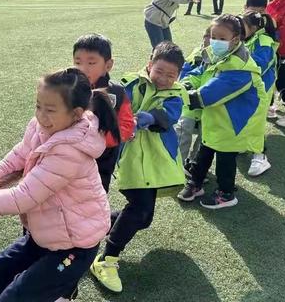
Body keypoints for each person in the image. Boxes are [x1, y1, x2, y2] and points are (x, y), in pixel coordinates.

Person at [0, 68, 117, 302]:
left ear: (75, 114)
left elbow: (23, 197)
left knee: (16, 298)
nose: (42, 115)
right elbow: (14, 160)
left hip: (74, 248)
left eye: (51, 110)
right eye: (38, 106)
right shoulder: (40, 128)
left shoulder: (69, 151)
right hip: (47, 236)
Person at [90, 42, 187, 293]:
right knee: (139, 209)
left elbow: (169, 116)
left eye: (171, 75)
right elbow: (116, 108)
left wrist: (148, 118)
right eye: (160, 71)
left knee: (143, 219)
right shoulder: (130, 84)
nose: (164, 79)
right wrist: (125, 122)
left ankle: (93, 225)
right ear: (149, 63)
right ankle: (106, 259)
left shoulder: (177, 93)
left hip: (156, 163)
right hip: (133, 159)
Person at [177, 15, 267, 207]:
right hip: (218, 116)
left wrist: (177, 93)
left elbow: (206, 96)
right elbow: (200, 72)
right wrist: (186, 82)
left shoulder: (239, 69)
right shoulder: (216, 54)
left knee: (225, 158)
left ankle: (226, 193)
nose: (214, 41)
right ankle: (196, 182)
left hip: (236, 120)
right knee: (205, 149)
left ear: (235, 39)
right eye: (212, 36)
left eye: (221, 38)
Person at [72, 34, 135, 192]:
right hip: (70, 157)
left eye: (91, 62)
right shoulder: (68, 88)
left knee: (94, 199)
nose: (82, 68)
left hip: (103, 161)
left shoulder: (117, 93)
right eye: (77, 62)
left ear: (108, 65)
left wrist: (100, 140)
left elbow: (126, 126)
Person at [242, 11, 278, 176]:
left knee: (256, 120)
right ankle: (244, 145)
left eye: (243, 26)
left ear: (254, 27)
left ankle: (260, 156)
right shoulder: (250, 39)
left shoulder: (264, 41)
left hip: (261, 87)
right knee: (246, 117)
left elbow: (260, 64)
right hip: (250, 85)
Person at [176, 27, 211, 168]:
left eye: (212, 36)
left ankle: (194, 163)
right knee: (183, 136)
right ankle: (177, 166)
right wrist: (187, 85)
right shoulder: (196, 54)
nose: (208, 39)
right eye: (206, 35)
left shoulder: (220, 57)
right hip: (189, 104)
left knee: (204, 139)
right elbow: (184, 75)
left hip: (208, 105)